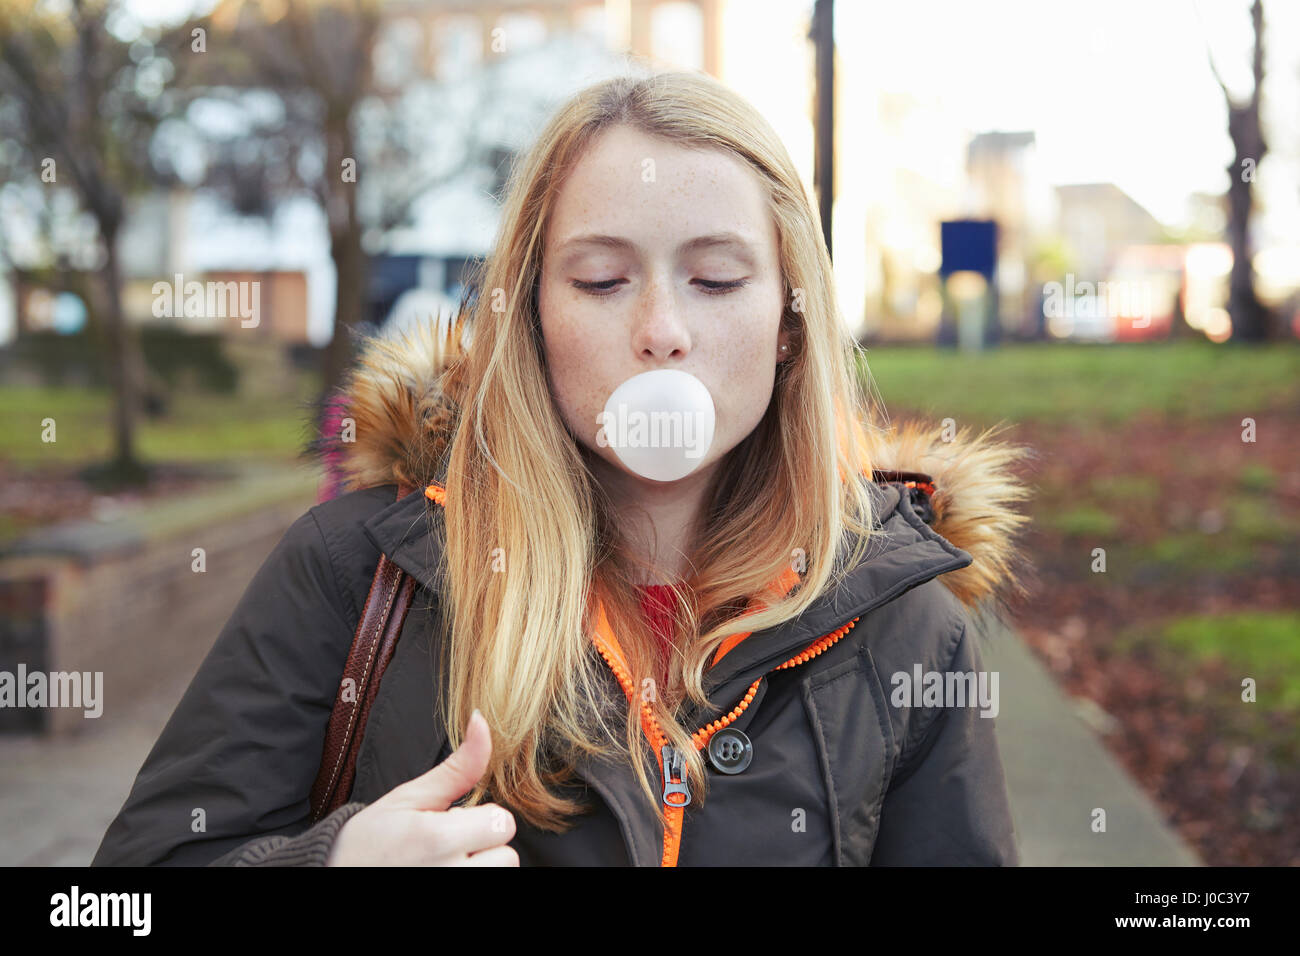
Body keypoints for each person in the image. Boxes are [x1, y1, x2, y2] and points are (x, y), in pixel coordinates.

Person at [91, 70, 1032, 867]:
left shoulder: (906, 626)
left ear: (790, 323)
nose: (661, 331)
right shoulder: (356, 570)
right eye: (600, 280)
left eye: (714, 279)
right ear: (531, 315)